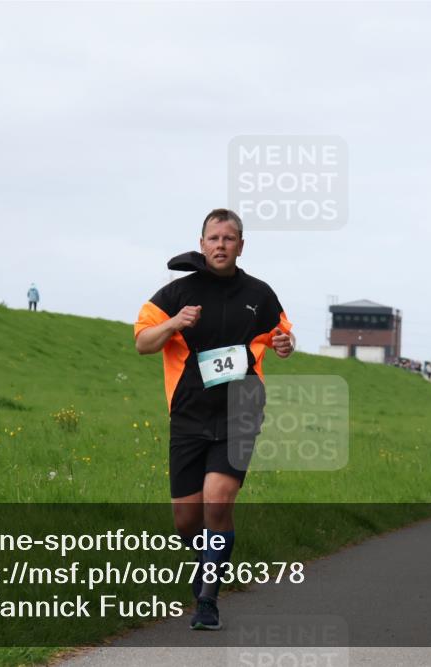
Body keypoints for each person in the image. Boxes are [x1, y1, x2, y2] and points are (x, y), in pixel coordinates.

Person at [134, 208, 295, 630]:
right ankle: (210, 560)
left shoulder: (259, 294)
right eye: (213, 238)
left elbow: (281, 334)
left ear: (241, 245)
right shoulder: (176, 293)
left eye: (229, 238)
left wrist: (284, 344)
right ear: (202, 243)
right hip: (188, 414)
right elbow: (142, 344)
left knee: (218, 501)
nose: (220, 245)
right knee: (186, 519)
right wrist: (173, 323)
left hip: (241, 409)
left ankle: (207, 601)